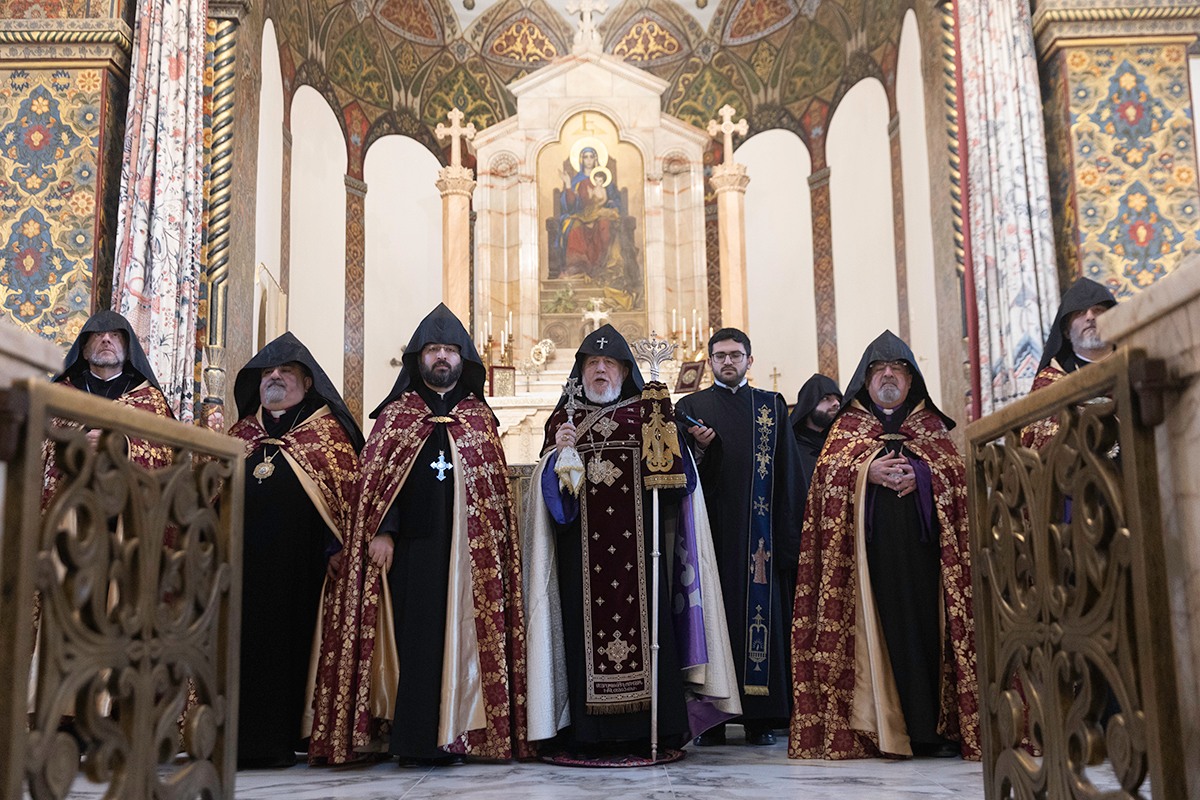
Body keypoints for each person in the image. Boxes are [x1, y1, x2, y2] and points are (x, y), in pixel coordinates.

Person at [309, 304, 528, 766]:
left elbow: (493, 495)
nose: (442, 357)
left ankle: (461, 736)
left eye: (450, 350)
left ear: (463, 359)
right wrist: (382, 532)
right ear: (418, 358)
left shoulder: (479, 419)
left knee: (464, 642)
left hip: (469, 557)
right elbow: (378, 483)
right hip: (410, 550)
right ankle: (413, 742)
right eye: (433, 350)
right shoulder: (397, 416)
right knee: (414, 642)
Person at [524, 324, 739, 763]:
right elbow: (550, 501)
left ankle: (649, 730)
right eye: (592, 363)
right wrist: (556, 457)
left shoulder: (648, 414)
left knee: (651, 635)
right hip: (580, 560)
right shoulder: (563, 421)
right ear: (581, 371)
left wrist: (677, 446)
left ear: (625, 371)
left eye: (609, 363)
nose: (600, 370)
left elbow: (680, 484)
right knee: (580, 640)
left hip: (642, 556)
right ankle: (586, 734)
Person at [789, 330, 980, 760]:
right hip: (868, 567)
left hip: (927, 562)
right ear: (866, 379)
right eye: (879, 369)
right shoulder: (846, 429)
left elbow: (957, 479)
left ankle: (932, 731)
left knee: (927, 637)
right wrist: (866, 474)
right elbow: (825, 484)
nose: (888, 375)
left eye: (898, 369)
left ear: (912, 380)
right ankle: (879, 731)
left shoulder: (931, 427)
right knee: (882, 637)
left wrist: (924, 477)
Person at [227, 332, 364, 768]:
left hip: (303, 571)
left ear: (307, 382)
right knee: (242, 649)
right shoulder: (241, 434)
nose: (275, 377)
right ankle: (238, 740)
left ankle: (288, 737)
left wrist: (336, 547)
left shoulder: (328, 435)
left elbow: (346, 500)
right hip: (242, 568)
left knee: (291, 652)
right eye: (267, 372)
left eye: (286, 371)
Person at [674, 328, 806, 747]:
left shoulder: (771, 406)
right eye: (720, 356)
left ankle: (760, 719)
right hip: (708, 535)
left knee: (758, 622)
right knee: (712, 620)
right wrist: (700, 451)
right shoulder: (689, 408)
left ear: (750, 360)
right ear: (709, 361)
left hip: (758, 539)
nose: (727, 362)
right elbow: (677, 473)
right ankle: (710, 720)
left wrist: (789, 539)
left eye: (735, 355)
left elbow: (788, 473)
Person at [45, 309, 174, 502]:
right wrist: (79, 439)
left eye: (115, 335)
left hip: (125, 503)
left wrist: (120, 445)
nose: (106, 339)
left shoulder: (150, 399)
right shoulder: (60, 394)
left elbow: (164, 452)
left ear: (128, 351)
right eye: (98, 335)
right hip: (71, 500)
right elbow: (41, 445)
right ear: (84, 351)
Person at [1022, 277, 1118, 449]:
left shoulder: (1134, 364)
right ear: (1066, 332)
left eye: (1098, 310)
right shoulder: (1050, 382)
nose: (1090, 317)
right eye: (1080, 313)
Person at [789, 373, 842, 487]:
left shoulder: (841, 445)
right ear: (809, 404)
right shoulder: (790, 449)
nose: (836, 404)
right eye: (826, 398)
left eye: (838, 399)